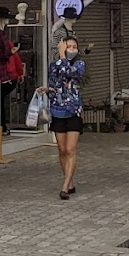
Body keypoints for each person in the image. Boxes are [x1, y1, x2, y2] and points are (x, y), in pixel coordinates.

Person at [43, 38, 86, 199]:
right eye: (68, 46)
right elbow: (55, 82)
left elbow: (70, 73)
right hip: (57, 110)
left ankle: (65, 186)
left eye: (74, 47)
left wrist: (62, 55)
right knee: (61, 150)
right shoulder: (53, 65)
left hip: (74, 110)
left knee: (70, 149)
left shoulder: (79, 65)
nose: (71, 49)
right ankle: (70, 180)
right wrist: (47, 90)